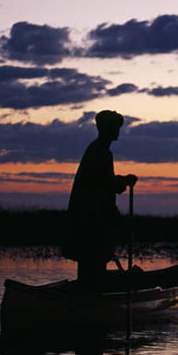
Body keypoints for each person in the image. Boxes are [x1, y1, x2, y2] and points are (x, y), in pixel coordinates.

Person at [64, 110, 137, 283]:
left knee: (92, 267)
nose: (118, 131)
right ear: (107, 129)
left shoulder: (99, 150)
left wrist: (122, 181)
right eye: (116, 128)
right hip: (91, 222)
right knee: (92, 266)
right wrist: (124, 181)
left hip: (92, 221)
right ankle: (89, 296)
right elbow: (104, 185)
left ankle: (89, 293)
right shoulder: (100, 152)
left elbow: (105, 183)